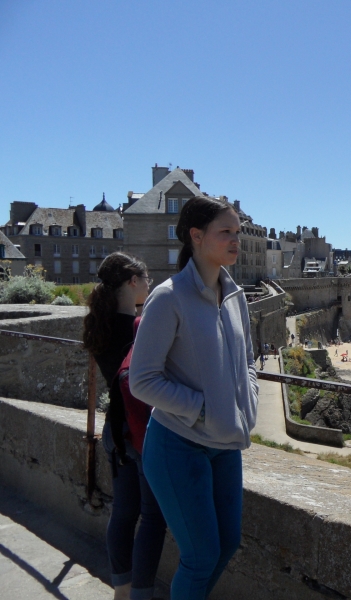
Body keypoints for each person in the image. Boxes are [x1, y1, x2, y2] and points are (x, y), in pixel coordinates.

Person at [130, 196, 259, 600]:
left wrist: (247, 402)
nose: (235, 240)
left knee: (227, 544)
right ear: (196, 236)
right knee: (200, 556)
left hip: (226, 443)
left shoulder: (235, 295)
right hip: (178, 443)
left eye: (237, 232)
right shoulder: (169, 297)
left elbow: (248, 359)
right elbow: (142, 380)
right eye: (226, 232)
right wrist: (202, 409)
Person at [82, 253, 166, 600]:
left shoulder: (99, 326)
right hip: (142, 432)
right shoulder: (138, 328)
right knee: (153, 518)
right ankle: (140, 595)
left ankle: (122, 590)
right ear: (133, 282)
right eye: (146, 279)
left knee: (123, 513)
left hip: (115, 431)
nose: (149, 285)